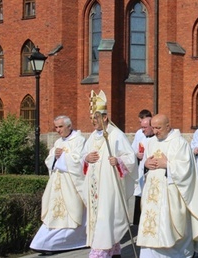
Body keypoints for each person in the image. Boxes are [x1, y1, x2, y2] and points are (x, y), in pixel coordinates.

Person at [137, 114, 198, 257]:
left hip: (171, 196)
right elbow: (145, 163)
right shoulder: (150, 143)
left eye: (159, 128)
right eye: (153, 128)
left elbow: (186, 170)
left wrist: (167, 164)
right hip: (152, 197)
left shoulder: (180, 143)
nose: (155, 131)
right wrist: (145, 164)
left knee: (169, 228)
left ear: (168, 127)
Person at [82, 90, 137, 258]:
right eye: (92, 118)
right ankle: (113, 252)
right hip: (95, 189)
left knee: (107, 219)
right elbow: (82, 157)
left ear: (105, 118)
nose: (93, 122)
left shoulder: (115, 135)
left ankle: (100, 252)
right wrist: (86, 158)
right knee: (100, 220)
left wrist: (118, 161)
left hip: (109, 187)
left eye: (96, 118)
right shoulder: (92, 136)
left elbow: (131, 158)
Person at [30, 115, 87, 254]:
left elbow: (79, 161)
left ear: (69, 126)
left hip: (71, 185)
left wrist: (63, 157)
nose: (58, 130)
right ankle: (45, 242)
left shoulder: (79, 140)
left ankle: (71, 241)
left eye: (60, 127)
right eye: (56, 127)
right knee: (54, 213)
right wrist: (55, 157)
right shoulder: (58, 142)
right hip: (57, 186)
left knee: (71, 214)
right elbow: (49, 161)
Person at [132, 116, 155, 227]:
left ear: (152, 126)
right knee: (140, 196)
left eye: (145, 127)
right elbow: (132, 151)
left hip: (152, 175)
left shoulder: (157, 141)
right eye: (142, 127)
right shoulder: (142, 139)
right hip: (142, 173)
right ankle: (138, 222)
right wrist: (136, 155)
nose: (142, 130)